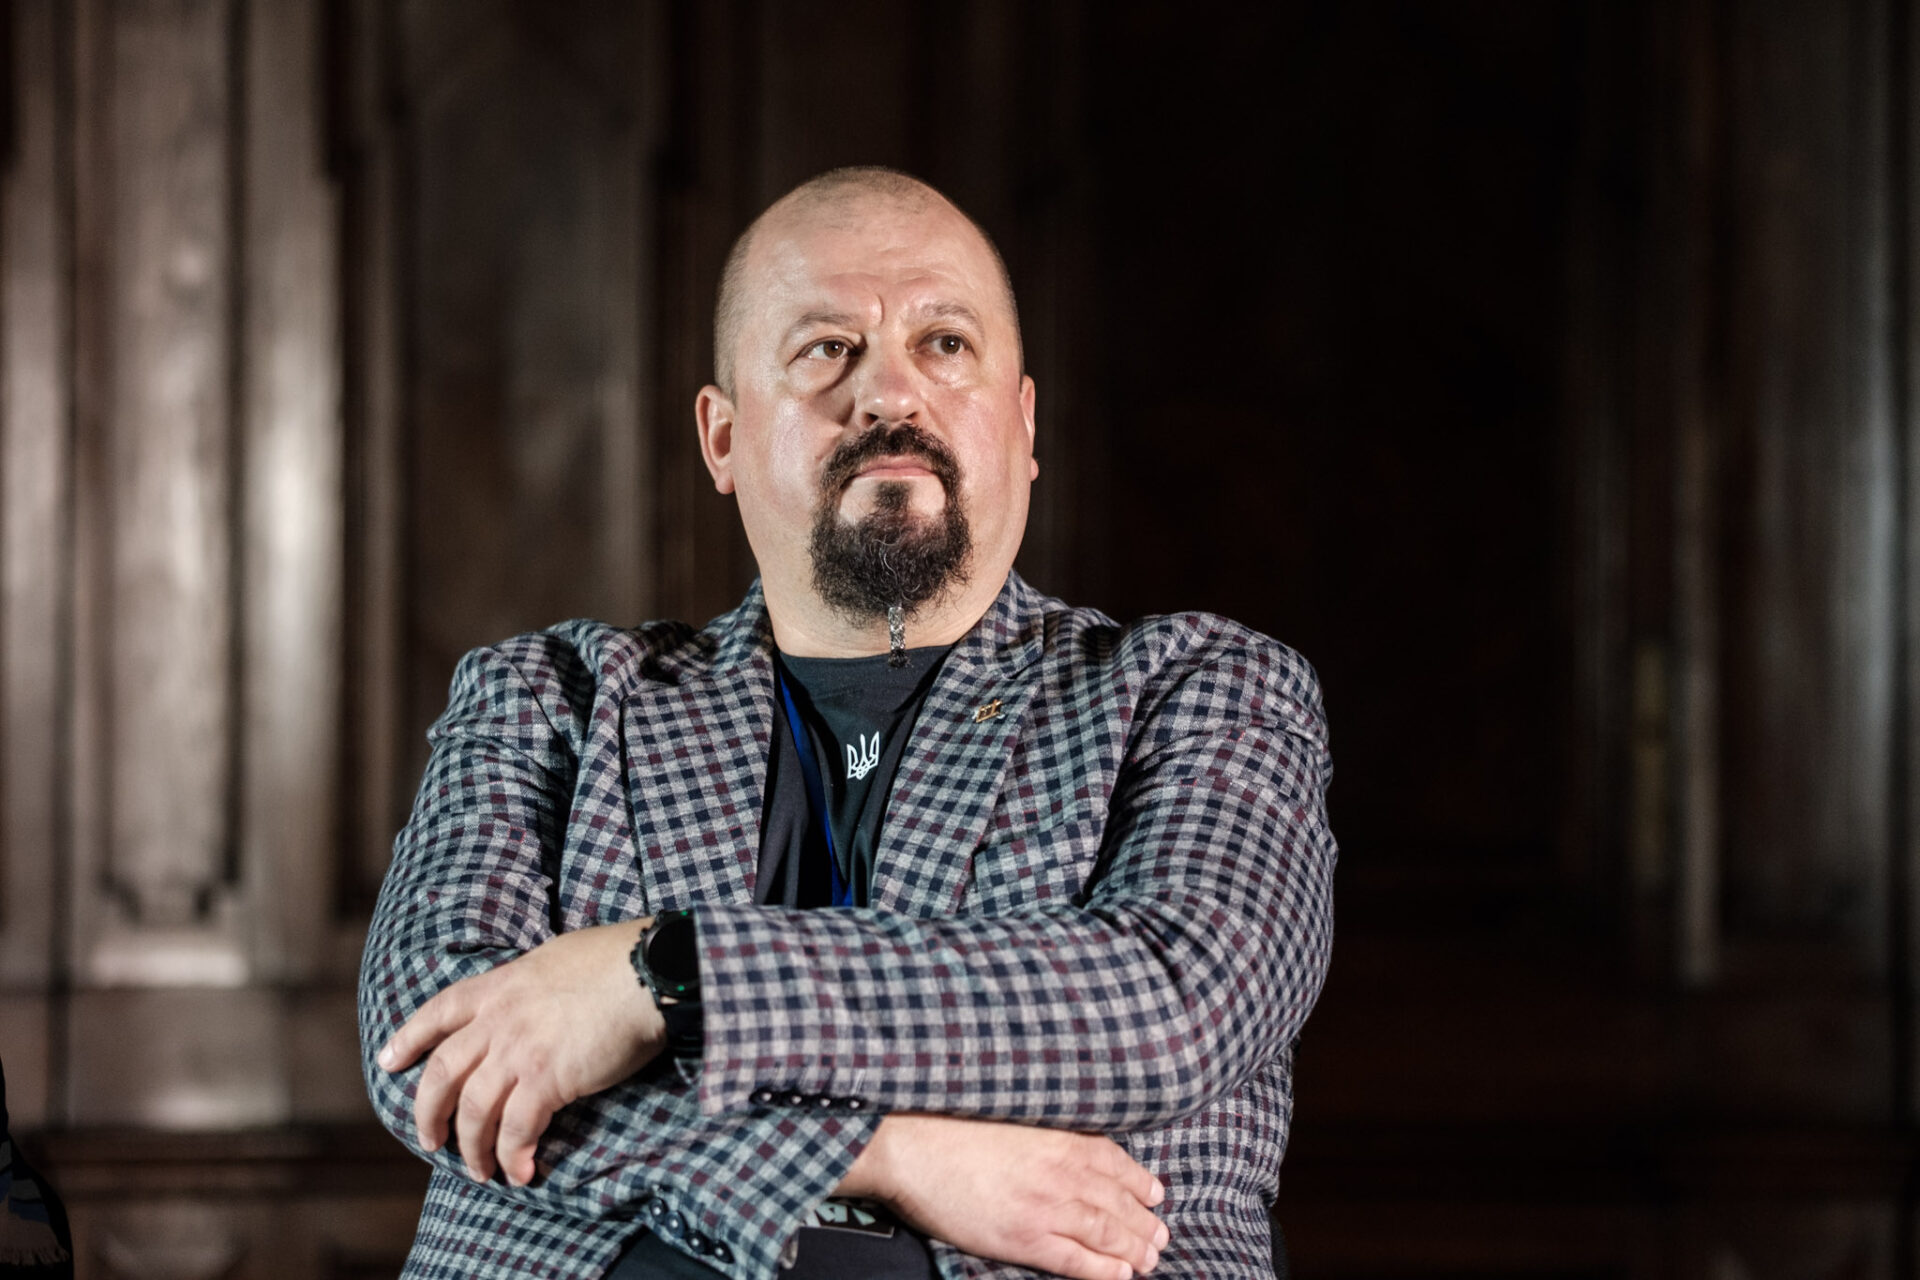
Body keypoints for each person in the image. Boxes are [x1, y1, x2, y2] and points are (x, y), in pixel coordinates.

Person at [360, 166, 1336, 1280]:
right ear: (723, 438)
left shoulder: (1206, 689)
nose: (891, 396)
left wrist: (660, 977)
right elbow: (429, 1049)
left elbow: (1169, 999)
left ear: (1024, 425)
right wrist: (882, 1154)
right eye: (827, 348)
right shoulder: (550, 698)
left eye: (945, 344)